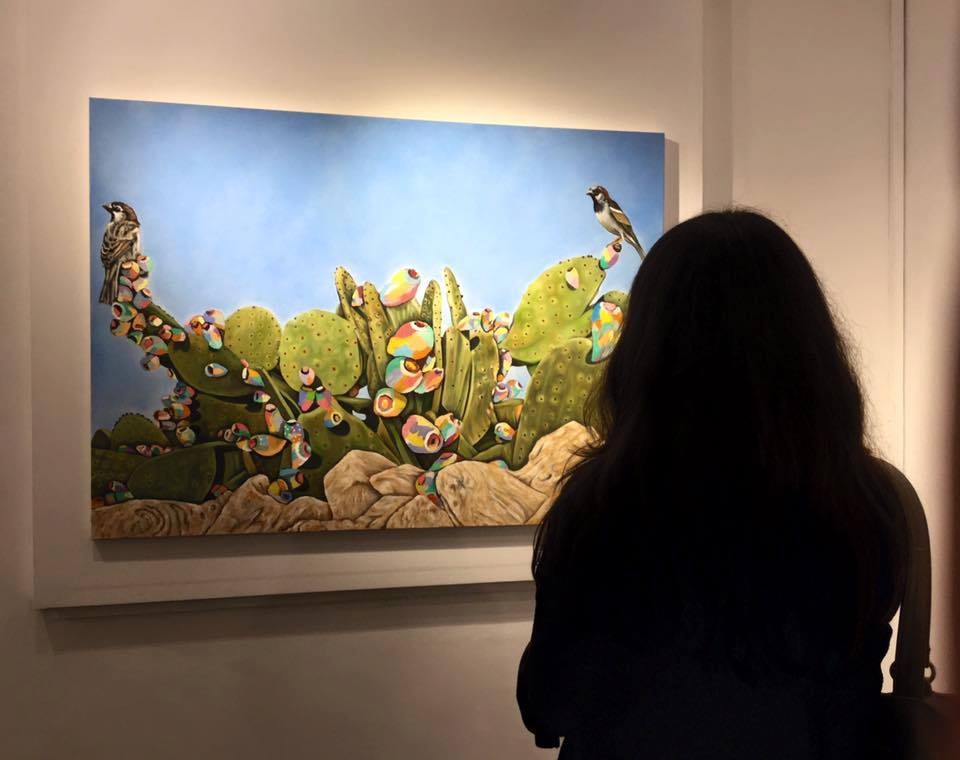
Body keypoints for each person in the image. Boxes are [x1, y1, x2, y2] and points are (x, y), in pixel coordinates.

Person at [517, 210, 906, 759]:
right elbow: (851, 696)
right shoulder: (864, 502)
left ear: (649, 347)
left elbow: (548, 704)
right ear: (807, 344)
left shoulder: (605, 507)